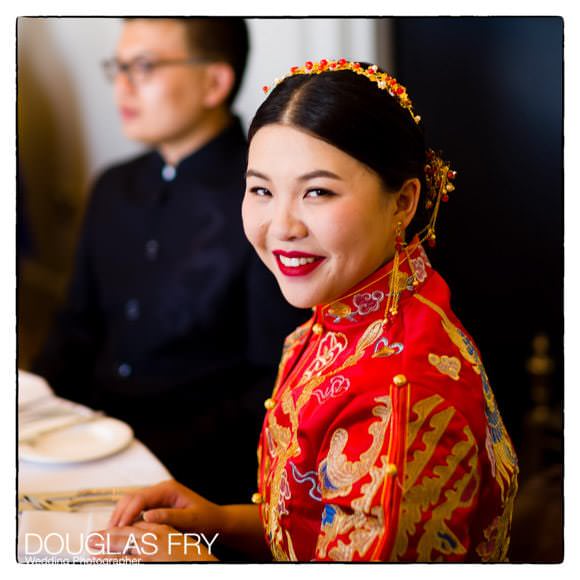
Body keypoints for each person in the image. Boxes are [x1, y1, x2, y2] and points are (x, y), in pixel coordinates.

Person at [90, 58, 519, 562]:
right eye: (262, 190)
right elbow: (317, 525)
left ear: (403, 201)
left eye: (317, 191)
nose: (282, 225)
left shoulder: (405, 390)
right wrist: (217, 520)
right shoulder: (348, 314)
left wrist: (194, 564)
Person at [31, 18, 308, 505]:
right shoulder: (113, 186)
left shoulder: (265, 200)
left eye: (144, 67)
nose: (122, 85)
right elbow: (75, 329)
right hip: (83, 447)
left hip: (196, 474)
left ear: (215, 82)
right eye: (117, 67)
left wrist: (142, 453)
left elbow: (272, 379)